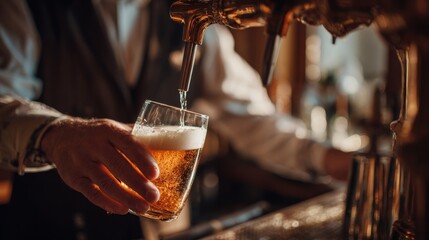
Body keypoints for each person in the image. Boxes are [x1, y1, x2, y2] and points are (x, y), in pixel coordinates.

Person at [0, 0, 352, 239]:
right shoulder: (28, 8)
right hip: (50, 228)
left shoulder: (194, 19)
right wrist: (55, 133)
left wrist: (328, 159)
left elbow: (253, 118)